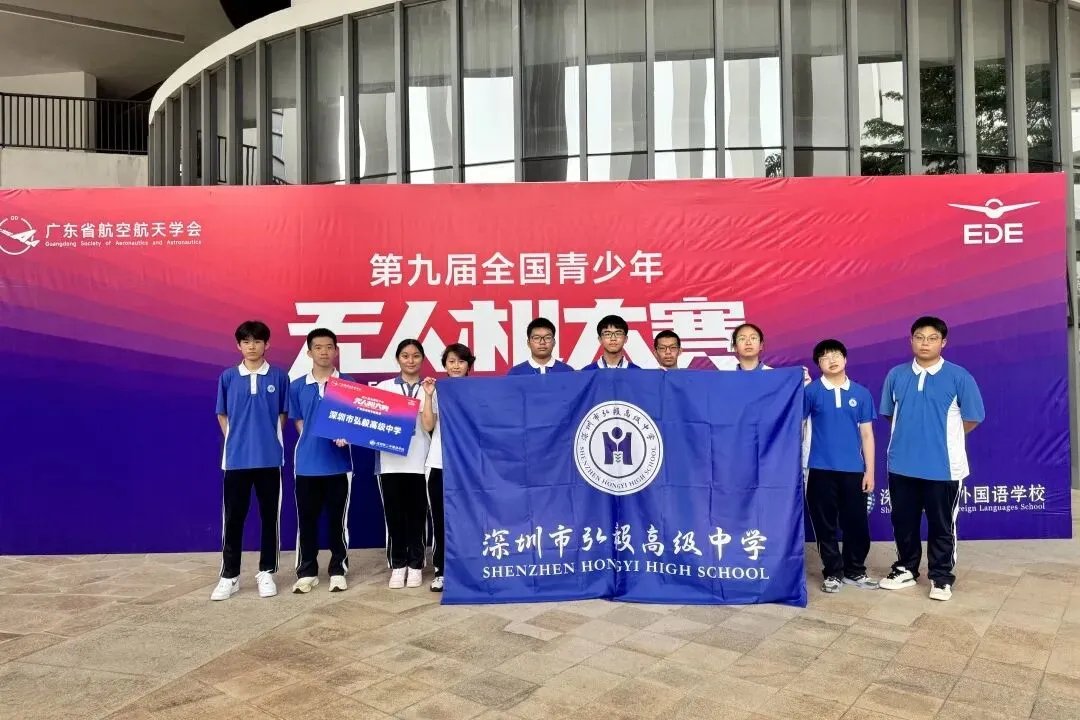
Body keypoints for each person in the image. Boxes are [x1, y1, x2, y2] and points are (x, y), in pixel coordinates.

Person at [877, 316, 985, 602]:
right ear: (911, 340)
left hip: (944, 468)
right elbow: (889, 414)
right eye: (920, 337)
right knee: (904, 522)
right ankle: (906, 569)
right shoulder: (896, 375)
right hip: (901, 465)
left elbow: (973, 417)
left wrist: (941, 436)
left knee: (942, 525)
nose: (925, 343)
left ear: (943, 342)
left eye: (932, 338)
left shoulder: (959, 377)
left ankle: (941, 577)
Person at [211, 320, 289, 601]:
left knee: (270, 518)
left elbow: (283, 414)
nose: (252, 346)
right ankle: (229, 576)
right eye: (246, 342)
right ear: (238, 346)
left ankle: (266, 572)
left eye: (257, 341)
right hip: (236, 461)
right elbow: (222, 414)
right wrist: (238, 440)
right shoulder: (228, 377)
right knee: (233, 519)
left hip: (269, 460)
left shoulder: (279, 377)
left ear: (267, 344)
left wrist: (267, 438)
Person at [803, 339, 878, 594]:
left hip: (853, 471)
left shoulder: (861, 393)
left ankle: (855, 570)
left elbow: (867, 435)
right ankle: (833, 573)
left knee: (856, 524)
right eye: (824, 357)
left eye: (836, 354)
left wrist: (870, 471)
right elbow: (797, 426)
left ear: (845, 359)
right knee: (824, 526)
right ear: (818, 364)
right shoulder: (811, 392)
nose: (832, 360)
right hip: (819, 469)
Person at [288, 329, 353, 595]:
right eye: (318, 347)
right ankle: (307, 572)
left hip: (339, 466)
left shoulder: (348, 385)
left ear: (336, 351)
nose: (324, 352)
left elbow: (355, 422)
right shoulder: (297, 386)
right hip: (306, 465)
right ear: (309, 352)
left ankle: (338, 570)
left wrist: (346, 435)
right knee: (307, 521)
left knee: (338, 522)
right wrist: (313, 437)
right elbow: (298, 420)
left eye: (329, 347)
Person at [375, 339, 431, 589]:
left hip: (421, 462)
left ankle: (416, 565)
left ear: (422, 359)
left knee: (418, 517)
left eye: (416, 355)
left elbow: (430, 425)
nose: (410, 360)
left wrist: (427, 396)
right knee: (394, 517)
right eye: (405, 355)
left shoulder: (430, 388)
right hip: (390, 464)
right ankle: (397, 565)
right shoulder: (384, 388)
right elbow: (370, 422)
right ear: (398, 359)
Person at [420, 343, 475, 592]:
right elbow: (428, 426)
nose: (456, 366)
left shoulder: (478, 391)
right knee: (441, 519)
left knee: (470, 518)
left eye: (461, 361)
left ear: (468, 365)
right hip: (439, 463)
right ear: (445, 365)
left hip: (468, 466)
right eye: (451, 361)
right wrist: (429, 395)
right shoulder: (436, 390)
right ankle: (441, 571)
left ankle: (470, 567)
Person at [508, 318, 574, 375]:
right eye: (536, 338)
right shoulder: (515, 373)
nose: (542, 342)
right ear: (528, 343)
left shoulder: (568, 371)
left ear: (554, 342)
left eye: (547, 338)